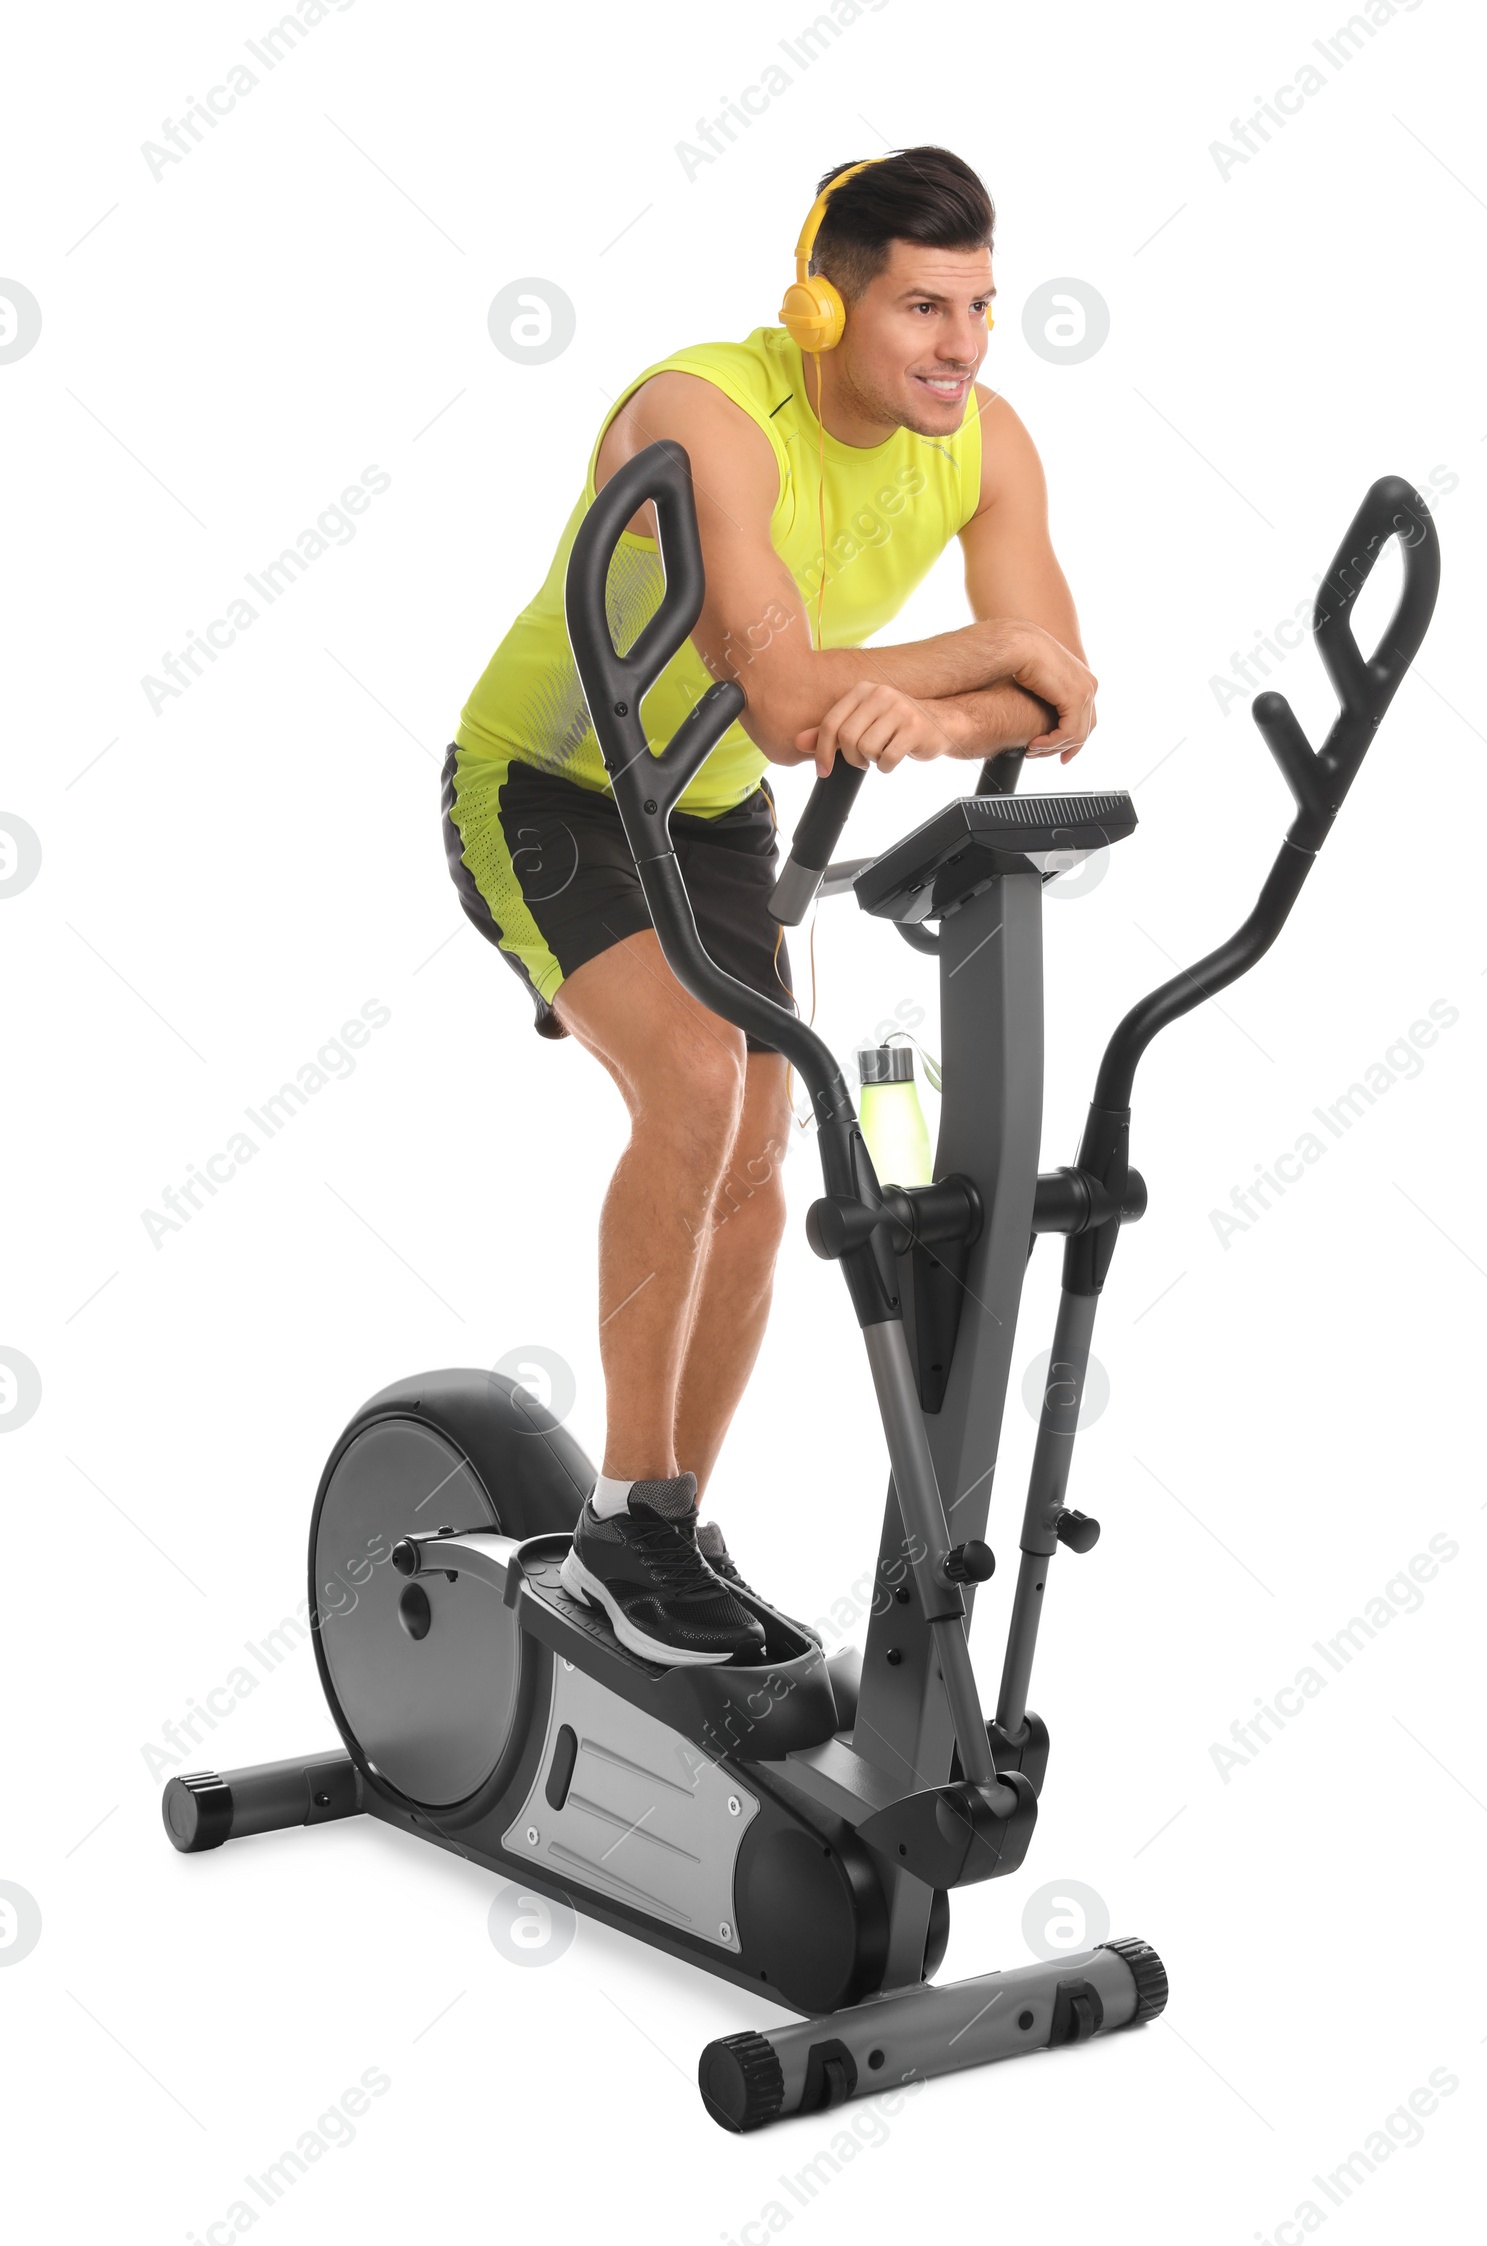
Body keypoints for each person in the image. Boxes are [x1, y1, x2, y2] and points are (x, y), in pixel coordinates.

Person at [443, 146, 1097, 1667]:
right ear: (822, 301)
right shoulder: (702, 417)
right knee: (690, 1084)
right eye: (924, 307)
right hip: (550, 783)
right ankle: (613, 1515)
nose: (961, 346)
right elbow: (803, 697)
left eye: (984, 308)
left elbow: (1058, 695)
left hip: (712, 802)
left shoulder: (986, 441)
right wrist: (969, 662)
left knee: (762, 1131)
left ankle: (659, 1524)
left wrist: (926, 701)